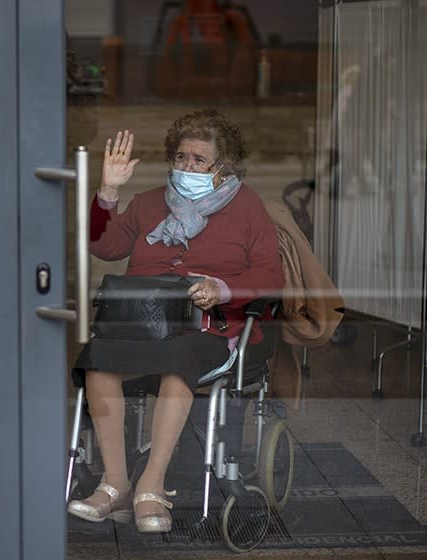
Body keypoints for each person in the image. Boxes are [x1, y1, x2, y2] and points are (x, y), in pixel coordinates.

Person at [67, 110, 284, 533]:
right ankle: (116, 484)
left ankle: (152, 484)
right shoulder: (148, 202)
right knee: (98, 356)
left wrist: (222, 288)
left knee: (178, 359)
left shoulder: (248, 208)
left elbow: (271, 276)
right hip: (142, 323)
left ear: (224, 168)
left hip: (210, 329)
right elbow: (103, 245)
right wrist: (108, 191)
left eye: (198, 160)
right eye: (181, 157)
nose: (186, 167)